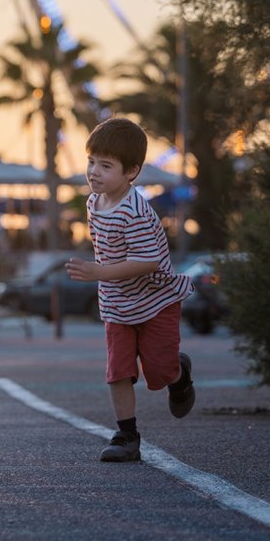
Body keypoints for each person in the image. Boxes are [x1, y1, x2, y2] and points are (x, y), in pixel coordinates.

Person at [65, 117, 196, 463]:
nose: (94, 172)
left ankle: (178, 375)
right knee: (118, 371)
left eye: (105, 166)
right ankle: (127, 435)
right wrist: (103, 277)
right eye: (91, 162)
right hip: (116, 303)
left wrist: (98, 271)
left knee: (159, 370)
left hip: (155, 301)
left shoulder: (136, 211)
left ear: (131, 172)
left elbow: (148, 261)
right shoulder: (95, 203)